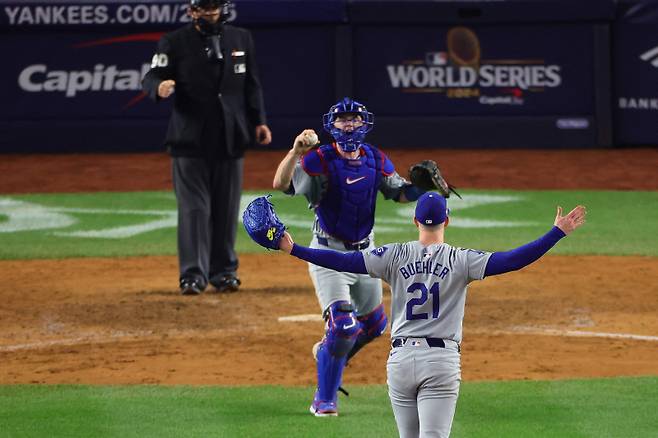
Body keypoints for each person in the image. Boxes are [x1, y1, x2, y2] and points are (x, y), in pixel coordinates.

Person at [274, 193, 586, 436]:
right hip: (441, 363)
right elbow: (513, 260)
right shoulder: (462, 260)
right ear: (446, 221)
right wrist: (556, 233)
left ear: (415, 220)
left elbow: (343, 261)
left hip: (399, 362)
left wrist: (295, 249)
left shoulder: (393, 255)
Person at [272, 97, 431, 416]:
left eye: (354, 120)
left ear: (364, 124)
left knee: (374, 325)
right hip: (328, 254)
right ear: (332, 126)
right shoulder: (319, 160)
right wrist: (295, 152)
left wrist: (420, 187)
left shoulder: (375, 158)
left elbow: (398, 192)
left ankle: (327, 355)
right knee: (344, 327)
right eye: (343, 120)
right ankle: (324, 398)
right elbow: (281, 184)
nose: (349, 125)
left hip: (365, 254)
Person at [142, 0, 271, 295]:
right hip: (189, 139)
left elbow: (252, 84)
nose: (206, 13)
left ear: (222, 8)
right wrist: (158, 88)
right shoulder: (174, 42)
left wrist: (259, 121)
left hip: (231, 137)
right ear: (191, 11)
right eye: (200, 8)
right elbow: (152, 75)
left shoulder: (241, 38)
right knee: (195, 209)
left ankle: (224, 272)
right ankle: (192, 274)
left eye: (211, 7)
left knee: (226, 210)